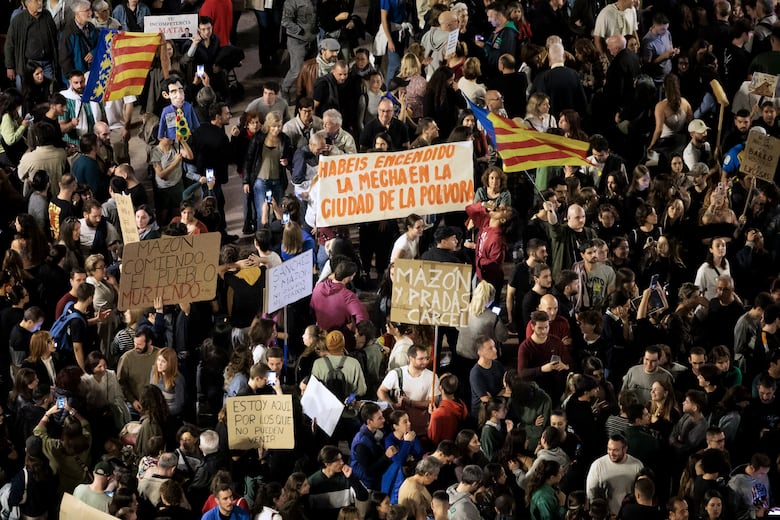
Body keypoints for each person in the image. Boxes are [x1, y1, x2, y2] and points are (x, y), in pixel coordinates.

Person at [585, 434, 644, 517]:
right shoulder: (597, 465)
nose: (611, 453)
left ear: (625, 449)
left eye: (616, 450)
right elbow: (591, 493)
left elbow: (642, 492)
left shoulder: (637, 465)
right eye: (609, 449)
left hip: (629, 515)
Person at [308, 445, 369, 520]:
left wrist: (351, 478)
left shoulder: (346, 478)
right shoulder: (313, 482)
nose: (342, 462)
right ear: (327, 464)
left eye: (341, 459)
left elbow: (364, 496)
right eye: (337, 460)